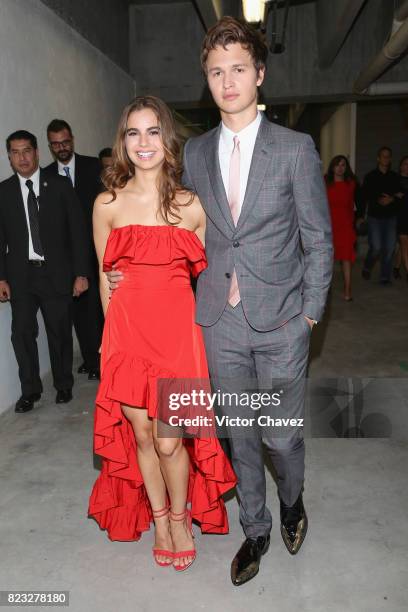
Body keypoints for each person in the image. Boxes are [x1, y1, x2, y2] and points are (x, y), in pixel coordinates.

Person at [107, 18, 333, 585]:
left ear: (259, 74)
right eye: (216, 71)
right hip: (216, 320)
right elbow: (168, 219)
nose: (227, 81)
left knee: (280, 435)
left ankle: (293, 500)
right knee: (238, 432)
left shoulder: (296, 148)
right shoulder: (196, 153)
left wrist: (310, 313)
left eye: (238, 69)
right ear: (206, 80)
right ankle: (254, 527)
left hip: (283, 318)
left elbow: (319, 238)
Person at [88, 96, 236, 571]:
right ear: (123, 142)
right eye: (134, 133)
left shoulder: (193, 206)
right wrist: (108, 342)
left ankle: (180, 513)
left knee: (172, 439)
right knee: (144, 437)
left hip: (177, 337)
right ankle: (161, 520)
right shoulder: (107, 204)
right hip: (128, 336)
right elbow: (104, 279)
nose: (143, 142)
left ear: (167, 140)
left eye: (153, 132)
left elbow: (220, 271)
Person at [0, 130, 90, 412]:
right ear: (9, 158)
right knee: (22, 334)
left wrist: (81, 273)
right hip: (21, 277)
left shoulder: (60, 185)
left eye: (26, 150)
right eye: (15, 153)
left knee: (59, 331)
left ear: (37, 152)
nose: (22, 157)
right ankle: (30, 391)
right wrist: (1, 277)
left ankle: (63, 384)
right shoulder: (3, 192)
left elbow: (77, 232)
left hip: (56, 274)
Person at [45, 119, 103, 379]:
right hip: (62, 259)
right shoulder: (45, 176)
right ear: (50, 146)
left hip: (93, 252)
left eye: (65, 142)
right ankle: (91, 359)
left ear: (73, 140)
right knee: (77, 313)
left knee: (94, 312)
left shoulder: (93, 167)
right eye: (56, 144)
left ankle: (98, 360)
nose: (62, 147)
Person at [360, 146, 400, 284]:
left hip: (391, 218)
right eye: (383, 156)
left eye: (388, 156)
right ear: (378, 158)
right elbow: (364, 196)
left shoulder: (395, 177)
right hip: (374, 217)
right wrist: (360, 215)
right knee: (376, 248)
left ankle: (384, 276)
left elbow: (400, 194)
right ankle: (367, 266)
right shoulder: (370, 176)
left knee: (389, 249)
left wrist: (392, 199)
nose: (386, 158)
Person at [326, 155, 358, 301]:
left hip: (345, 225)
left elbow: (352, 205)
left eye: (343, 165)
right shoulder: (325, 182)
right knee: (328, 259)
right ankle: (326, 289)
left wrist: (353, 224)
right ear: (332, 167)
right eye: (337, 165)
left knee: (346, 258)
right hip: (328, 225)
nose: (340, 168)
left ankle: (348, 289)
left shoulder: (351, 184)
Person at [393, 156, 408, 281]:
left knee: (402, 245)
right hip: (400, 215)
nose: (407, 166)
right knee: (404, 243)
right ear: (401, 166)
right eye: (405, 164)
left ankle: (396, 268)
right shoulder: (395, 179)